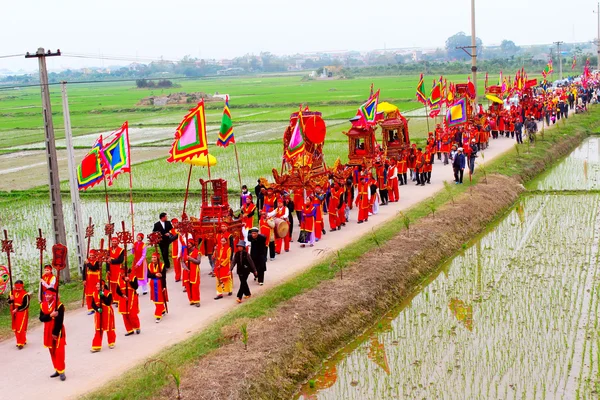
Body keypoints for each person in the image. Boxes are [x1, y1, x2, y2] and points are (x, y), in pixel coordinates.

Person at [39, 287, 66, 381]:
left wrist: (55, 332)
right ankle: (57, 369)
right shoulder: (43, 305)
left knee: (59, 351)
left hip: (57, 330)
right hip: (47, 330)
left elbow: (60, 320)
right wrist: (50, 315)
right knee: (52, 351)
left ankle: (62, 371)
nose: (47, 296)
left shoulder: (59, 306)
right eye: (46, 294)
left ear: (54, 296)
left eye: (49, 295)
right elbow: (41, 318)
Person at [90, 280, 116, 352]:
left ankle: (111, 342)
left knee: (109, 328)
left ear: (103, 285)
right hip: (99, 312)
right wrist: (97, 309)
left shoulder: (108, 293)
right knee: (98, 329)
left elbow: (108, 303)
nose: (97, 286)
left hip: (107, 312)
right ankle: (96, 346)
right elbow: (92, 304)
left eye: (98, 285)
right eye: (96, 285)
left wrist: (103, 296)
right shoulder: (94, 293)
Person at [116, 268, 141, 336]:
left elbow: (136, 287)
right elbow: (117, 290)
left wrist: (129, 281)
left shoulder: (133, 277)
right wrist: (122, 295)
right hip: (123, 298)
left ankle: (137, 327)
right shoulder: (119, 279)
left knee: (132, 314)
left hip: (132, 297)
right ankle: (129, 330)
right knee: (125, 315)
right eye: (121, 274)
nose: (122, 275)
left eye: (123, 273)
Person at [9, 280, 30, 349]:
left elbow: (26, 305)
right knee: (15, 327)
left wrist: (17, 309)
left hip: (22, 312)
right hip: (13, 311)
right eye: (16, 288)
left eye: (19, 288)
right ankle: (22, 340)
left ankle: (20, 343)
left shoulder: (25, 294)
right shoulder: (12, 292)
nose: (17, 289)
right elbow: (9, 302)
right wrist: (11, 299)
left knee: (20, 327)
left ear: (22, 287)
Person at [147, 253, 167, 322]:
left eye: (155, 257)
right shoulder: (149, 265)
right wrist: (155, 274)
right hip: (153, 284)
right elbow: (148, 275)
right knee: (155, 299)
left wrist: (164, 286)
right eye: (152, 257)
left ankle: (158, 315)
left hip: (160, 284)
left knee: (159, 299)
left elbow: (164, 277)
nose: (153, 259)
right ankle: (163, 309)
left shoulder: (162, 265)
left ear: (158, 258)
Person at [182, 237, 201, 307]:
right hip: (187, 271)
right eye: (188, 243)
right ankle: (191, 300)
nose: (188, 245)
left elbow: (198, 262)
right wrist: (185, 268)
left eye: (190, 243)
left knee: (195, 286)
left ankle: (197, 300)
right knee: (188, 286)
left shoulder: (197, 252)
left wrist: (191, 258)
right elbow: (183, 261)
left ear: (192, 244)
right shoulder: (185, 251)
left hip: (194, 271)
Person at [83, 250, 101, 314]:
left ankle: (97, 306)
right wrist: (84, 279)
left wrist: (88, 263)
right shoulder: (86, 261)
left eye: (93, 255)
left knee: (96, 293)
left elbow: (93, 268)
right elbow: (84, 271)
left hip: (95, 280)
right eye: (90, 255)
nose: (91, 257)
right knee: (88, 294)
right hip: (88, 280)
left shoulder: (97, 261)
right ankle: (90, 309)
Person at [107, 237, 124, 302]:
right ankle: (114, 299)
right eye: (112, 241)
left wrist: (112, 261)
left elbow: (120, 260)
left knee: (118, 284)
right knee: (112, 285)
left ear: (117, 242)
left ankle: (119, 298)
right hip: (111, 269)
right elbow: (107, 261)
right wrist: (107, 270)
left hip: (118, 268)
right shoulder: (108, 249)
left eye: (115, 241)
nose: (113, 242)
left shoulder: (121, 250)